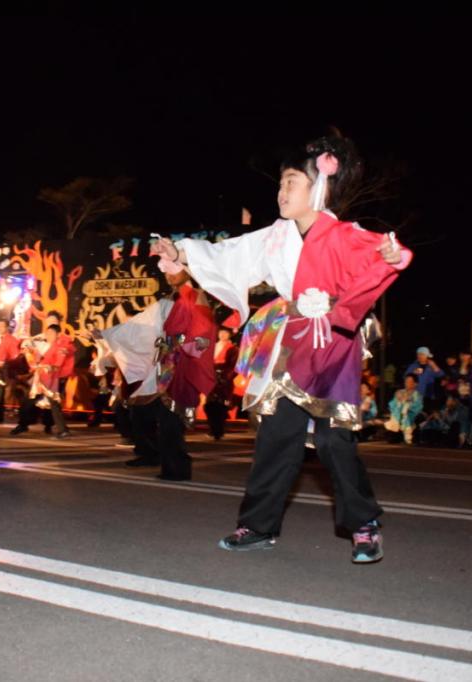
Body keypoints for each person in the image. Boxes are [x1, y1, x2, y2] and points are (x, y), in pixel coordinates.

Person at [154, 134, 410, 562]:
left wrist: (390, 254)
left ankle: (364, 525)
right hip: (289, 342)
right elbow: (232, 253)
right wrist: (181, 250)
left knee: (333, 441)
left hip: (331, 341)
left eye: (291, 182)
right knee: (276, 436)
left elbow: (380, 254)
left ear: (319, 187)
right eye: (281, 182)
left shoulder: (344, 235)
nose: (281, 191)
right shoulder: (276, 236)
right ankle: (257, 525)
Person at [101, 269, 216, 481]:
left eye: (173, 269)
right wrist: (110, 335)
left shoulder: (195, 296)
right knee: (144, 413)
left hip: (180, 364)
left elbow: (203, 331)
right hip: (164, 363)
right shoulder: (167, 300)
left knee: (170, 419)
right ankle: (152, 455)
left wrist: (184, 346)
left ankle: (176, 468)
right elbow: (141, 328)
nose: (168, 274)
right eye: (165, 270)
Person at [205, 327, 238, 441]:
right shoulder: (212, 346)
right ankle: (212, 428)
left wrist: (226, 377)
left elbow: (234, 366)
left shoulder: (233, 349)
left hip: (224, 381)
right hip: (212, 378)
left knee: (222, 405)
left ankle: (219, 430)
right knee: (210, 405)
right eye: (221, 332)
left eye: (225, 333)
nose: (223, 335)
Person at [385, 374, 423, 445]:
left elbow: (418, 407)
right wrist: (398, 400)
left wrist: (407, 406)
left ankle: (408, 435)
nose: (407, 383)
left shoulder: (417, 395)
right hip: (399, 415)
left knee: (407, 413)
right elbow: (393, 405)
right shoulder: (400, 392)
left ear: (415, 384)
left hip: (410, 415)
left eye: (409, 381)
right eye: (406, 381)